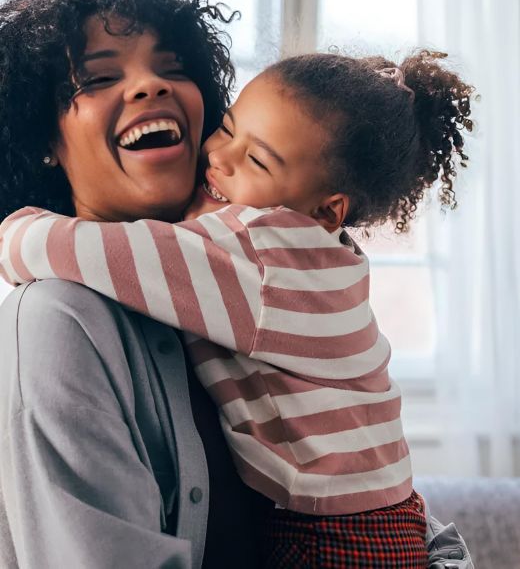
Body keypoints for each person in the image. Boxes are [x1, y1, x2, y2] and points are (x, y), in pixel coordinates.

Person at [0, 41, 475, 566]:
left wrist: (15, 228)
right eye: (225, 130)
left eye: (254, 159)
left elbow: (79, 249)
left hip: (334, 538)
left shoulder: (261, 253)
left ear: (324, 212)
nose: (217, 155)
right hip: (380, 518)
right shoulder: (310, 256)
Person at [0, 0, 272, 569]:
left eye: (174, 67)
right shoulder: (56, 321)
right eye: (96, 79)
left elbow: (380, 490)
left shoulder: (245, 281)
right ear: (43, 139)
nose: (151, 86)